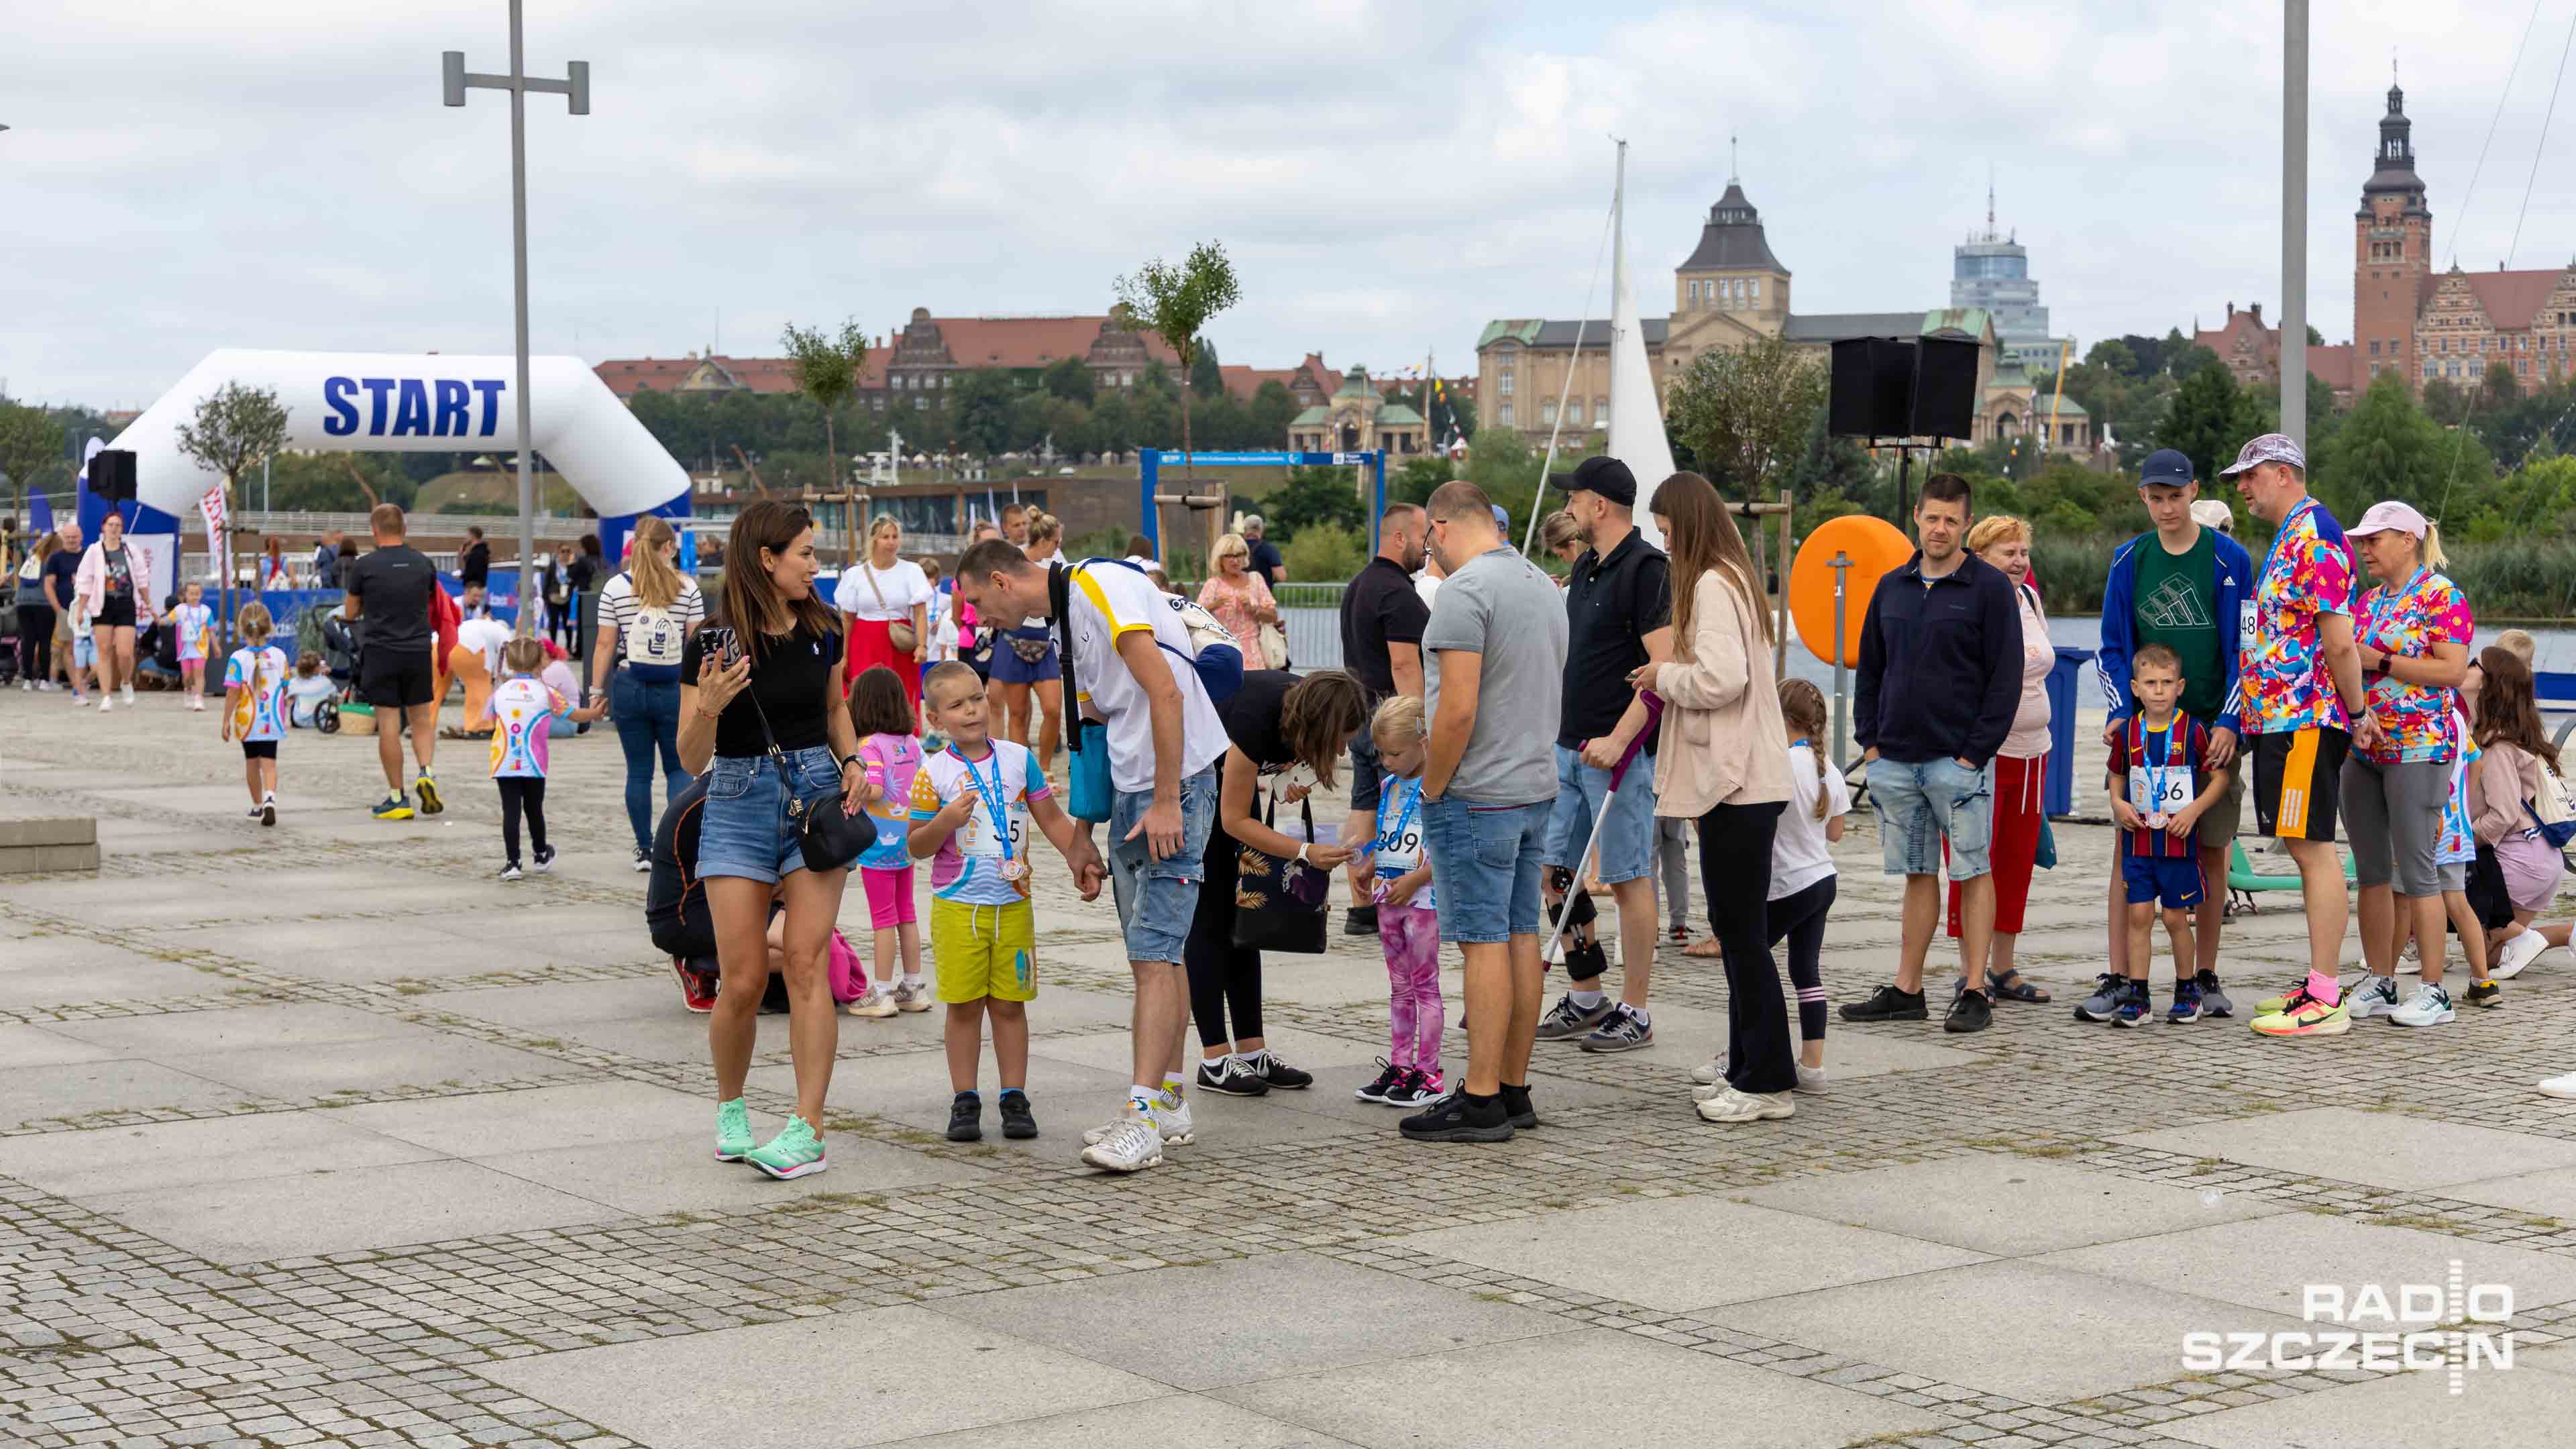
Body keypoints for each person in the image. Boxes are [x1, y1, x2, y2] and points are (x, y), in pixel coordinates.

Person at [951, 540, 1184, 1173]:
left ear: (1001, 580)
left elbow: (1166, 693)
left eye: (977, 602)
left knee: (1154, 952)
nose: (978, 619)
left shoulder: (1098, 586)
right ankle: (1167, 1103)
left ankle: (1144, 1118)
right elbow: (1095, 725)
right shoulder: (1059, 615)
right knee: (1159, 951)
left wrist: (1169, 799)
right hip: (1133, 783)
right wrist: (1083, 830)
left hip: (1168, 787)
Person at [679, 500, 867, 1181]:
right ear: (767, 558)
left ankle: (807, 1129)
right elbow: (690, 757)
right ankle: (731, 1107)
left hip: (815, 793)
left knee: (809, 963)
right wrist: (709, 706)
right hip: (735, 799)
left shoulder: (825, 627)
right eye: (806, 554)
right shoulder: (711, 641)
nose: (816, 565)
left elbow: (835, 707)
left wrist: (854, 760)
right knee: (743, 980)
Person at [1399, 480, 1566, 1144]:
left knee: (1483, 943)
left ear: (1440, 527)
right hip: (1534, 785)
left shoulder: (1464, 593)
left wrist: (1433, 786)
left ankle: (1480, 1096)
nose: (1429, 551)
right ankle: (1514, 1087)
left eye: (1427, 538)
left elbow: (1457, 709)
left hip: (1478, 791)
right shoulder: (1541, 585)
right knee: (1521, 933)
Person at [1632, 472, 1795, 1122]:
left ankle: (1767, 1081)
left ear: (1689, 523)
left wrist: (1663, 675)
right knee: (1739, 931)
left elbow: (1723, 679)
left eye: (1668, 531)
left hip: (1738, 782)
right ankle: (1749, 1064)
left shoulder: (1710, 584)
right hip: (1744, 778)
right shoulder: (1734, 577)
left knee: (1741, 935)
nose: (1665, 544)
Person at [1841, 473, 2021, 1034]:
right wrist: (1871, 745)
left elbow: (2006, 679)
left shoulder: (1990, 589)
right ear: (1916, 517)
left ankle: (1974, 990)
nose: (1940, 528)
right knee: (1918, 874)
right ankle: (1908, 990)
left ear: (1967, 524)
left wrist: (1974, 754)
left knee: (1973, 871)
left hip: (1957, 763)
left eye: (1951, 519)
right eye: (1932, 517)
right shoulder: (1891, 587)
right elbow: (1870, 670)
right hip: (1895, 761)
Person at [2223, 435, 2377, 1038]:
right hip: (2282, 718)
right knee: (2300, 843)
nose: (2242, 487)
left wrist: (2358, 711)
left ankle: (2327, 995)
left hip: (2305, 719)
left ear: (2284, 474)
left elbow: (2339, 641)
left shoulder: (2316, 537)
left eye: (2250, 475)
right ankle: (2317, 984)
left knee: (2313, 848)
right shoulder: (2293, 534)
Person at [908, 661, 1099, 1142]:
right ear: (935, 720)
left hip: (1013, 906)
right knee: (964, 1007)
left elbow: (1051, 818)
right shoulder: (933, 773)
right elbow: (916, 845)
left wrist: (1080, 858)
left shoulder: (1018, 758)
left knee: (1011, 1005)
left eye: (977, 698)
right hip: (958, 909)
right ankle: (965, 1099)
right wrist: (946, 822)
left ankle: (1015, 1096)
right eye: (957, 705)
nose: (972, 710)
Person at [2096, 449, 2256, 1020]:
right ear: (2143, 497)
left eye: (2176, 495)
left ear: (2194, 492)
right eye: (2156, 497)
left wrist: (2231, 721)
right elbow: (2112, 647)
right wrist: (2122, 711)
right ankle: (2122, 978)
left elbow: (2247, 650)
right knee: (2130, 848)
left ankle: (2203, 977)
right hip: (2147, 736)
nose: (2167, 507)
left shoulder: (2231, 559)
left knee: (2210, 852)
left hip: (2210, 732)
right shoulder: (2128, 560)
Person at [1531, 455, 1672, 1053]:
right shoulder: (1586, 563)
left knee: (1629, 877)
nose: (1567, 507)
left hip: (1620, 756)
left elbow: (1663, 667)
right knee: (1554, 871)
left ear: (1600, 505)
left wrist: (1619, 738)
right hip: (1567, 747)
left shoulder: (1648, 569)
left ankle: (1636, 1009)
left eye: (1574, 497)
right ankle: (1587, 994)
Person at [1183, 667, 1364, 1095]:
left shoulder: (1308, 702)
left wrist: (1287, 776)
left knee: (1246, 918)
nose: (1341, 750)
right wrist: (1303, 852)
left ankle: (1252, 1051)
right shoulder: (1255, 714)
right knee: (1210, 922)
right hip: (1191, 788)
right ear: (1322, 723)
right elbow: (1233, 821)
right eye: (1339, 739)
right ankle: (1215, 1058)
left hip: (1229, 782)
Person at [2334, 502, 2472, 1028]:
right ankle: (2381, 980)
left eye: (2375, 539)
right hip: (2364, 750)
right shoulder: (2367, 601)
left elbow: (2454, 671)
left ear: (2408, 540)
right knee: (2371, 873)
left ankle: (2435, 991)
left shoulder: (2442, 596)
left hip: (2420, 750)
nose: (2364, 549)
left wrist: (2383, 661)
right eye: (2361, 541)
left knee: (2419, 872)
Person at [1692, 677, 1847, 1099]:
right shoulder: (1827, 768)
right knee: (1806, 972)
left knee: (1747, 963)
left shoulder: (1774, 764)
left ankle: (1743, 1056)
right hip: (1822, 879)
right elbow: (1836, 832)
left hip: (1787, 885)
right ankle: (1812, 1066)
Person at [1945, 516, 2055, 1004]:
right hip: (1984, 755)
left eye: (2023, 552)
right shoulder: (1966, 602)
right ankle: (1969, 971)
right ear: (1980, 556)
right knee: (1973, 861)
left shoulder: (2029, 599)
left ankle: (2003, 967)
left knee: (2016, 863)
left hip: (2034, 754)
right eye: (2008, 553)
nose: (2019, 561)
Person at [2096, 645, 2227, 1026]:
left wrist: (2194, 810)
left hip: (2178, 845)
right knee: (2139, 915)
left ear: (2180, 687)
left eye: (2167, 683)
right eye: (2150, 683)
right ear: (2135, 688)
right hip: (2138, 843)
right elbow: (2117, 773)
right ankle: (2139, 995)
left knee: (2173, 918)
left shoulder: (2194, 730)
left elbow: (2219, 779)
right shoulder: (2128, 732)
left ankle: (2187, 990)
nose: (2158, 691)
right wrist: (2118, 803)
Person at [587, 515, 705, 870]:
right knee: (678, 769)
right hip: (674, 688)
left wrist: (596, 690)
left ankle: (644, 849)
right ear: (668, 547)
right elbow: (697, 645)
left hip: (629, 685)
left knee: (638, 772)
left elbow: (605, 644)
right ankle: (677, 846)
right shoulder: (688, 587)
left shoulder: (615, 588)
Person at [1337, 503, 1432, 937]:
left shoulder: (1358, 585)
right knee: (1397, 809)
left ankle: (1361, 907)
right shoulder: (1397, 593)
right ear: (1399, 538)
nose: (1426, 545)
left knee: (1363, 806)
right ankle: (1394, 898)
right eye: (1421, 535)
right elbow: (1404, 664)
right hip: (1392, 720)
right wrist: (1419, 726)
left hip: (1360, 716)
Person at [1355, 694, 1446, 1105]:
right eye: (1381, 754)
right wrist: (1370, 863)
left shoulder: (1438, 786)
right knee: (1398, 987)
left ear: (1422, 743)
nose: (1387, 761)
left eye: (1395, 753)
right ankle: (1400, 1066)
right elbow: (1389, 835)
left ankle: (1429, 1073)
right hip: (1388, 896)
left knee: (1425, 985)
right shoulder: (1389, 786)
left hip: (1423, 900)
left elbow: (1445, 848)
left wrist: (1417, 879)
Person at [2469, 650, 2573, 979]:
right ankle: (2567, 934)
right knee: (2490, 957)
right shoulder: (2511, 738)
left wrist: (2461, 841)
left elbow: (2502, 815)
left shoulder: (2497, 748)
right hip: (2541, 857)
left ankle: (2411, 947)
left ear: (2488, 685)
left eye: (2473, 664)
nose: (2464, 667)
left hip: (2520, 861)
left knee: (2438, 883)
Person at [343, 504, 445, 820]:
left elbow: (350, 613)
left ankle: (398, 798)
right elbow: (430, 602)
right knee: (421, 719)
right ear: (405, 529)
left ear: (374, 531)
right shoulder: (423, 564)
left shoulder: (364, 566)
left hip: (381, 651)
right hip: (418, 649)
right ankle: (426, 772)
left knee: (389, 725)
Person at [844, 666, 930, 1018]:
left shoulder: (869, 746)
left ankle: (881, 992)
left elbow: (876, 788)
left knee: (883, 919)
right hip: (907, 841)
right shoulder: (912, 743)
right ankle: (913, 986)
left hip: (878, 845)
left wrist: (848, 789)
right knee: (906, 914)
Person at [488, 637, 570, 882]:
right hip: (534, 761)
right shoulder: (545, 691)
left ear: (510, 663)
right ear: (539, 662)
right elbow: (570, 712)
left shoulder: (500, 691)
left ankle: (513, 863)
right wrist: (594, 713)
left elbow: (489, 718)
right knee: (534, 809)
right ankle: (541, 853)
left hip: (505, 760)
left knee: (510, 811)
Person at [835, 514, 930, 723]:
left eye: (895, 536)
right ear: (874, 540)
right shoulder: (855, 575)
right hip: (864, 643)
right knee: (865, 692)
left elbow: (920, 612)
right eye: (885, 537)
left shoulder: (911, 571)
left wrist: (922, 645)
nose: (891, 542)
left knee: (901, 690)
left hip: (899, 642)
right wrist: (843, 656)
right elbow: (847, 619)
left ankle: (903, 733)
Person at [989, 517, 1065, 776]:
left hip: (1045, 637)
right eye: (1055, 542)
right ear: (1043, 541)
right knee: (1018, 713)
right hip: (1014, 636)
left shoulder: (1056, 563)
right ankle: (1022, 772)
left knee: (1053, 709)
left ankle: (1044, 768)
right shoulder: (1013, 558)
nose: (1058, 547)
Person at [74, 511, 158, 712]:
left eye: (118, 525)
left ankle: (126, 681)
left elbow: (142, 579)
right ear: (103, 527)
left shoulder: (131, 550)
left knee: (125, 652)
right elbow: (85, 580)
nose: (114, 529)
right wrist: (81, 608)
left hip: (126, 603)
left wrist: (150, 605)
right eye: (110, 525)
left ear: (122, 529)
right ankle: (106, 696)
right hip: (102, 604)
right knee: (104, 650)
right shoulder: (94, 551)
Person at [220, 602, 290, 827]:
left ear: (242, 628)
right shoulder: (279, 656)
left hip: (247, 720)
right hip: (273, 718)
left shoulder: (238, 658)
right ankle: (270, 799)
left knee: (252, 762)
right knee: (270, 762)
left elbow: (232, 693)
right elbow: (285, 688)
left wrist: (226, 720)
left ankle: (258, 805)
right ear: (269, 627)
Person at [1197, 533, 1279, 664]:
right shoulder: (1213, 585)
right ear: (1220, 559)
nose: (1235, 561)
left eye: (1239, 555)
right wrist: (1214, 605)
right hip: (1222, 654)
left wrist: (1255, 609)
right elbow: (1196, 617)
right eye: (1229, 556)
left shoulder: (1256, 579)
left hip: (1254, 655)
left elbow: (1273, 617)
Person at [14, 531, 60, 691]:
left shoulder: (31, 557)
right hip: (44, 603)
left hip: (22, 602)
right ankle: (44, 680)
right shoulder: (53, 560)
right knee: (45, 642)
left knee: (28, 640)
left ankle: (27, 679)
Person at [170, 580, 214, 712]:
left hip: (200, 648)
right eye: (191, 594)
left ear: (201, 594)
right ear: (185, 594)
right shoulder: (180, 610)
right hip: (184, 649)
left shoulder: (206, 611)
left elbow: (211, 630)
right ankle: (188, 690)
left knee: (199, 673)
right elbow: (168, 620)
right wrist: (158, 619)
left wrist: (216, 646)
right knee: (187, 676)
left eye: (197, 594)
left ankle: (199, 698)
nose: (194, 596)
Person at [566, 535, 602, 659]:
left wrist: (570, 563)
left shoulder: (583, 561)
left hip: (585, 596)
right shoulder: (601, 561)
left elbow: (571, 575)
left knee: (583, 625)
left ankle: (579, 652)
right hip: (599, 596)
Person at [286, 649, 335, 727]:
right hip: (322, 721)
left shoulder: (294, 682)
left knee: (295, 699)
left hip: (300, 722)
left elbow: (288, 700)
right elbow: (334, 696)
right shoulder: (326, 682)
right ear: (317, 668)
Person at [1242, 515, 1285, 589]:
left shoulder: (1236, 547)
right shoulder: (1269, 549)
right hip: (1261, 593)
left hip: (1238, 594)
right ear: (1262, 529)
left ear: (1245, 529)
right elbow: (1281, 577)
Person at [460, 526, 491, 592]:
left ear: (472, 536)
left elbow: (474, 572)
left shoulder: (478, 552)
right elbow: (472, 566)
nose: (466, 537)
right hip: (475, 587)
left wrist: (461, 576)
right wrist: (465, 556)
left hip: (475, 589)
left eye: (468, 535)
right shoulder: (478, 551)